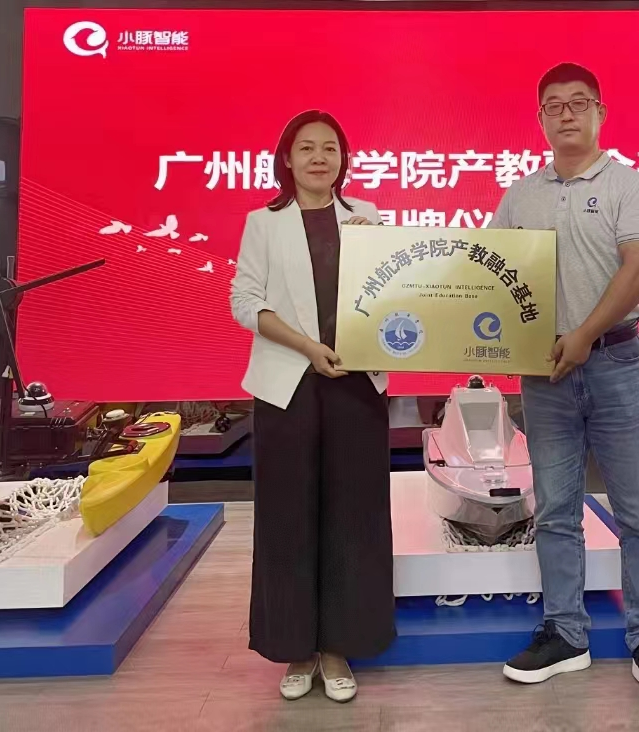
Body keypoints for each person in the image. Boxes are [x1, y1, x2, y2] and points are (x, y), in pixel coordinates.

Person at [491, 63, 639, 708]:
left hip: (614, 363)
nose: (567, 113)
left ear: (600, 112)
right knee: (554, 509)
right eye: (554, 105)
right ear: (541, 119)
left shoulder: (630, 184)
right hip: (543, 371)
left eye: (579, 103)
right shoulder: (520, 196)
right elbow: (485, 273)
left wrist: (583, 335)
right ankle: (566, 634)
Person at [230, 110, 394, 703]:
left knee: (353, 516)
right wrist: (307, 346)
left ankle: (338, 646)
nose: (320, 157)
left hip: (356, 381)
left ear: (343, 159)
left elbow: (392, 295)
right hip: (288, 383)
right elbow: (245, 302)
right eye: (307, 148)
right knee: (288, 516)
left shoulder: (367, 218)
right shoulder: (263, 223)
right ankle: (296, 647)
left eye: (330, 148)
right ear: (288, 159)